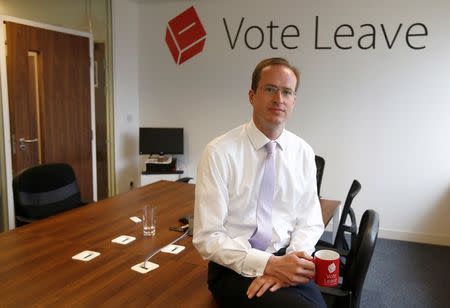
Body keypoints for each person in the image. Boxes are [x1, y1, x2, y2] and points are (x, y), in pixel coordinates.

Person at [193, 57, 326, 307]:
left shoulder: (303, 152)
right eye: (270, 89)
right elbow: (207, 237)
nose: (279, 98)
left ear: (294, 101)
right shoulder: (219, 152)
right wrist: (269, 265)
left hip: (285, 256)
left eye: (287, 92)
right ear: (252, 96)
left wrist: (290, 263)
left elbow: (309, 221)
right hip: (232, 267)